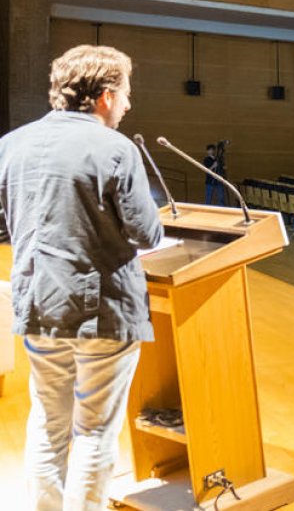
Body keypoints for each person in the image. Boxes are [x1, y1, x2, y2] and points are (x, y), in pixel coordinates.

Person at [0, 44, 165, 510]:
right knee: (94, 429)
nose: (129, 105)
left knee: (47, 423)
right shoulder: (116, 148)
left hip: (36, 305)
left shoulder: (10, 145)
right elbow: (146, 232)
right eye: (127, 94)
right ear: (106, 96)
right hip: (102, 312)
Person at [202, 140, 228, 206]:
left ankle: (222, 209)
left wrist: (223, 168)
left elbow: (223, 168)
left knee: (221, 198)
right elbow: (207, 170)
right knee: (208, 198)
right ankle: (206, 209)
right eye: (209, 150)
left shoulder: (218, 159)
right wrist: (213, 166)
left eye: (212, 150)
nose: (211, 151)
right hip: (210, 181)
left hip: (218, 180)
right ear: (207, 151)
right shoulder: (206, 159)